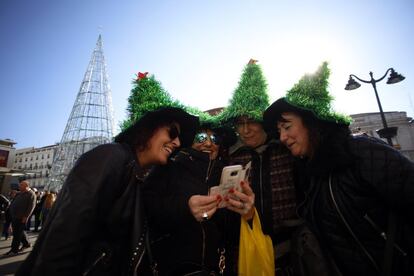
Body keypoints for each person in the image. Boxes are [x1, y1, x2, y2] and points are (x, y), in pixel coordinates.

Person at [263, 62, 414, 275]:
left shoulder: (361, 152)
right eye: (279, 131)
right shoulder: (312, 176)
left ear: (312, 123)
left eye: (287, 127)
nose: (283, 137)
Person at [16, 107, 199, 276]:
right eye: (172, 132)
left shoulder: (134, 174)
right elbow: (63, 239)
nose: (177, 142)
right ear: (149, 128)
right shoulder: (111, 157)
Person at [220, 60, 300, 275]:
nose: (245, 131)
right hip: (248, 249)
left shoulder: (287, 149)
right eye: (239, 124)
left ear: (263, 121)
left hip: (294, 249)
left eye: (251, 122)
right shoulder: (231, 157)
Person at [144, 124, 254, 275]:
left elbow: (232, 235)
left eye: (214, 139)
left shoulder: (226, 174)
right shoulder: (168, 168)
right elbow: (146, 209)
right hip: (173, 268)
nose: (208, 143)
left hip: (218, 268)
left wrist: (246, 213)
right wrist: (185, 208)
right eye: (201, 137)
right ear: (190, 141)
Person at [4, 180, 36, 256]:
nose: (19, 186)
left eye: (21, 185)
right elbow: (13, 202)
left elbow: (31, 207)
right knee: (20, 232)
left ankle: (14, 250)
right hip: (14, 216)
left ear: (26, 186)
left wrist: (26, 217)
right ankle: (26, 244)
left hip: (21, 217)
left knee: (16, 234)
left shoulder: (31, 194)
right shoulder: (19, 193)